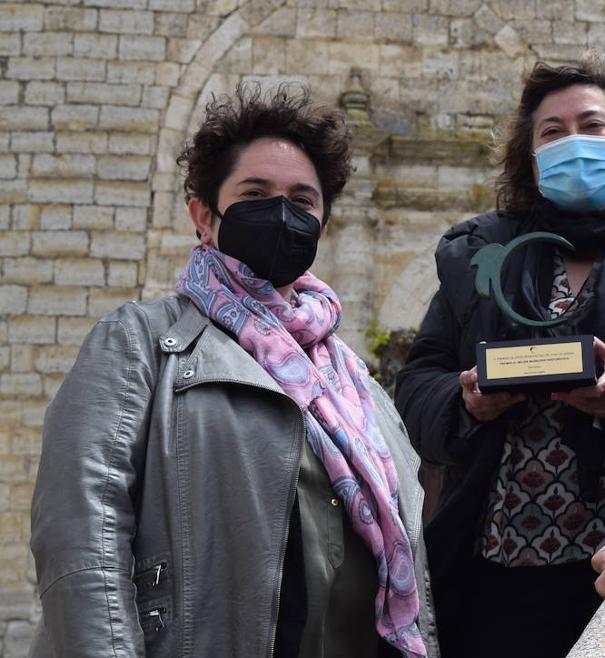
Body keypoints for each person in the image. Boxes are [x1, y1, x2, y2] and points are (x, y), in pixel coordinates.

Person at [29, 86, 436, 658]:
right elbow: (82, 534)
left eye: (302, 200)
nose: (281, 212)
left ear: (322, 228)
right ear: (203, 215)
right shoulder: (141, 343)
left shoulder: (357, 384)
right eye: (254, 193)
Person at [394, 53, 605, 658]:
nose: (573, 140)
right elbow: (419, 381)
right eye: (553, 131)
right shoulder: (481, 254)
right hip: (493, 563)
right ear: (531, 156)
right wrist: (466, 402)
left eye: (593, 125)